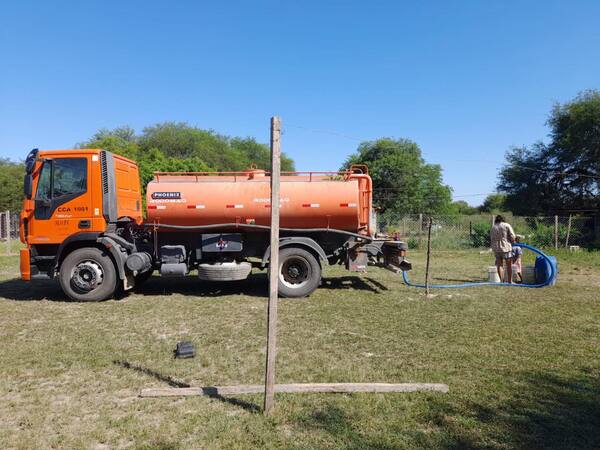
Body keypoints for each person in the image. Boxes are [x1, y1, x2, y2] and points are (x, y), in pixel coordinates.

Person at [490, 215, 516, 283]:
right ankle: (510, 281)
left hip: (496, 248)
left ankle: (502, 281)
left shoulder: (493, 227)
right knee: (509, 265)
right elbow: (512, 236)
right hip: (506, 247)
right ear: (503, 219)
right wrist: (513, 242)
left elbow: (491, 238)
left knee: (499, 265)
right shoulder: (506, 225)